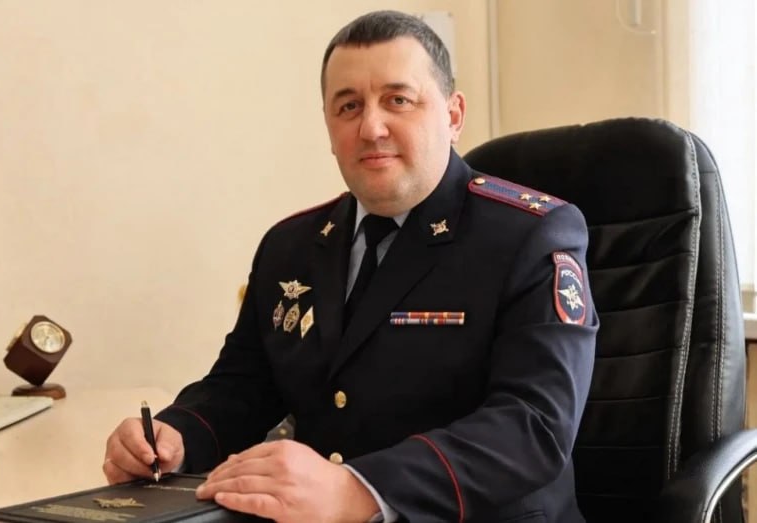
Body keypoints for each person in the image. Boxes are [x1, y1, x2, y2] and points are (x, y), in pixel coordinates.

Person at [104, 9, 597, 523]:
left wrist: (359, 489)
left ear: (453, 116)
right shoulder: (289, 246)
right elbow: (244, 386)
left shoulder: (530, 236)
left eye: (398, 100)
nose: (371, 127)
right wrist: (176, 435)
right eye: (348, 106)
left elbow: (534, 424)